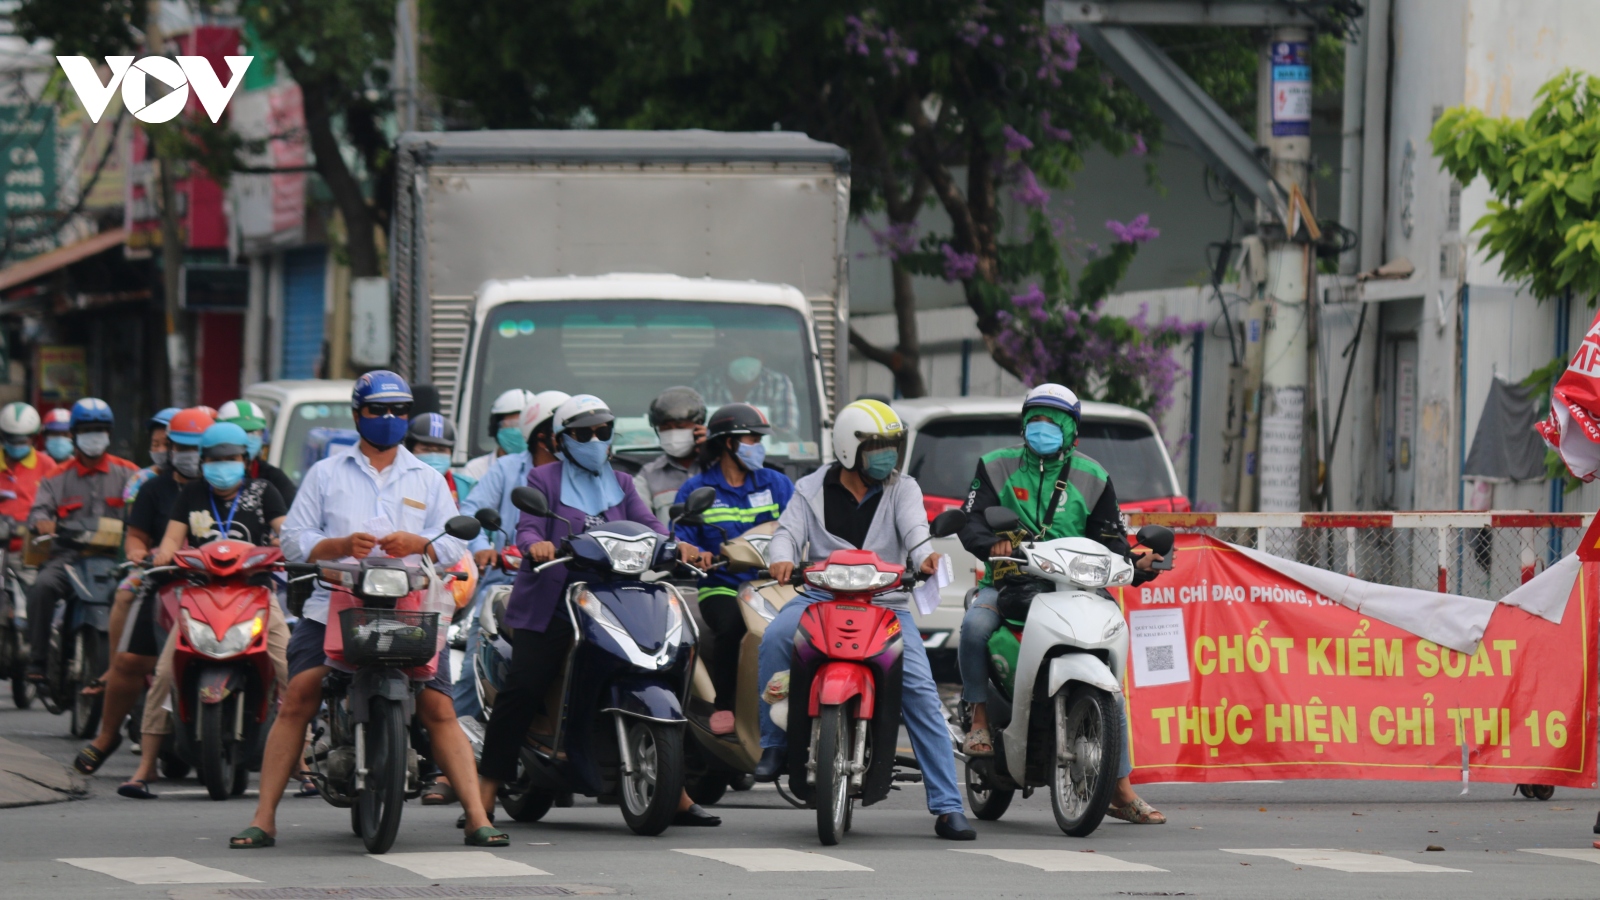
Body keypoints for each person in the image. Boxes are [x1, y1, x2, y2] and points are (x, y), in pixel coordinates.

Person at [228, 371, 503, 848]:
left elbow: (455, 546)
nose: (390, 419)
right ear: (359, 415)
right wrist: (336, 544)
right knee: (298, 697)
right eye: (379, 410)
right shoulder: (326, 473)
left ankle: (478, 817)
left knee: (438, 707)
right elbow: (293, 538)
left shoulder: (428, 477)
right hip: (332, 604)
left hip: (409, 607)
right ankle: (264, 817)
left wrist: (420, 543)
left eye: (399, 411)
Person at [475, 394, 717, 827]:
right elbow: (528, 527)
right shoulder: (543, 478)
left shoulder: (622, 483)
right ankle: (485, 794)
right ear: (561, 440)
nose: (593, 440)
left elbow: (652, 527)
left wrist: (679, 546)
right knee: (524, 687)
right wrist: (536, 544)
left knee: (666, 667)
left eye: (602, 431)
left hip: (616, 596)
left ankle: (674, 790)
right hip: (552, 600)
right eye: (582, 433)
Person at [754, 399, 976, 841]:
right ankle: (774, 745)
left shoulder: (903, 488)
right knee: (776, 635)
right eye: (877, 446)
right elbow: (786, 535)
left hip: (886, 604)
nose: (887, 455)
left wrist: (925, 557)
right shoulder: (811, 488)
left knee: (920, 691)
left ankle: (948, 805)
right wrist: (781, 560)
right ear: (846, 448)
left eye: (892, 445)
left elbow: (916, 533)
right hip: (819, 597)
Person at [955, 383, 1166, 826]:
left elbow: (1109, 535)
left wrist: (1135, 559)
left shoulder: (1094, 475)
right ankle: (977, 721)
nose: (1043, 427)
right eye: (1036, 418)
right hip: (1009, 580)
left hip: (1077, 589)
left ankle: (1120, 788)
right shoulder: (996, 466)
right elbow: (972, 520)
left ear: (1073, 430)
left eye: (1055, 421)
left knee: (1111, 678)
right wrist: (989, 545)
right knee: (975, 628)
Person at [118, 423, 293, 798]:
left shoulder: (265, 491)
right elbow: (170, 541)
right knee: (165, 672)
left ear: (245, 460)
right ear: (203, 461)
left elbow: (286, 531)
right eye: (214, 459)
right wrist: (161, 555)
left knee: (290, 668)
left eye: (230, 458)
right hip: (198, 595)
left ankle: (305, 763)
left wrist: (285, 542)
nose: (222, 465)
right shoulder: (192, 494)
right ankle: (145, 768)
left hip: (257, 593)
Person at [72, 407, 211, 775]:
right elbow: (136, 534)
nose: (189, 454)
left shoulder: (231, 491)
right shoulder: (153, 487)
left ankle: (298, 755)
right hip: (166, 583)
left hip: (222, 589)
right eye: (180, 446)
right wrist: (138, 551)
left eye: (200, 448)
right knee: (129, 661)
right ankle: (107, 735)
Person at [672, 403, 792, 733]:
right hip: (722, 585)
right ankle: (725, 706)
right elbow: (681, 537)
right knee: (732, 628)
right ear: (729, 443)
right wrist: (694, 552)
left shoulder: (777, 484)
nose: (759, 447)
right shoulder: (696, 489)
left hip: (775, 585)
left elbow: (799, 527)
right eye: (753, 439)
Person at [453, 389, 567, 718]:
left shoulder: (583, 475)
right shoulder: (506, 469)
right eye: (568, 430)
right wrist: (483, 548)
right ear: (544, 435)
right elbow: (472, 511)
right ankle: (452, 752)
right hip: (508, 579)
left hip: (567, 581)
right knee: (476, 666)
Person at [25, 399, 137, 688]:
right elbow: (39, 511)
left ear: (110, 434)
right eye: (87, 430)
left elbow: (143, 508)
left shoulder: (130, 474)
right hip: (69, 560)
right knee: (42, 586)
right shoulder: (56, 477)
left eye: (100, 429)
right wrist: (42, 521)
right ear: (74, 435)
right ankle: (37, 660)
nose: (94, 435)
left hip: (116, 561)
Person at [634, 386, 707, 523]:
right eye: (666, 428)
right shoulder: (648, 476)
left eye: (680, 427)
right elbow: (642, 524)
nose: (673, 433)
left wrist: (716, 454)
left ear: (699, 426)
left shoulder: (723, 466)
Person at [457, 388, 539, 498]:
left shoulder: (544, 470)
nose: (518, 431)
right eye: (512, 424)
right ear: (495, 428)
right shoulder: (475, 470)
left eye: (524, 425)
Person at [216, 399, 297, 506]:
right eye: (240, 431)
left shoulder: (274, 479)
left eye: (254, 432)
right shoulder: (210, 476)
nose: (248, 438)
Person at [692, 356, 799, 435]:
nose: (745, 358)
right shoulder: (705, 383)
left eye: (752, 354)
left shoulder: (778, 382)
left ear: (762, 358)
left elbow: (788, 430)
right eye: (739, 353)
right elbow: (696, 428)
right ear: (726, 357)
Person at [0, 403, 49, 526]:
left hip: (32, 540)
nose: (16, 445)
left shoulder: (47, 465)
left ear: (34, 438)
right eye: (12, 439)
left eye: (22, 440)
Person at [122, 407, 181, 506]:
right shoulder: (140, 480)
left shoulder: (194, 481)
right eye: (155, 444)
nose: (161, 450)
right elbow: (132, 519)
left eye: (166, 444)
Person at [407, 412, 464, 502]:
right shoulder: (397, 484)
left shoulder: (467, 487)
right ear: (409, 451)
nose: (434, 455)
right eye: (426, 449)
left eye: (441, 450)